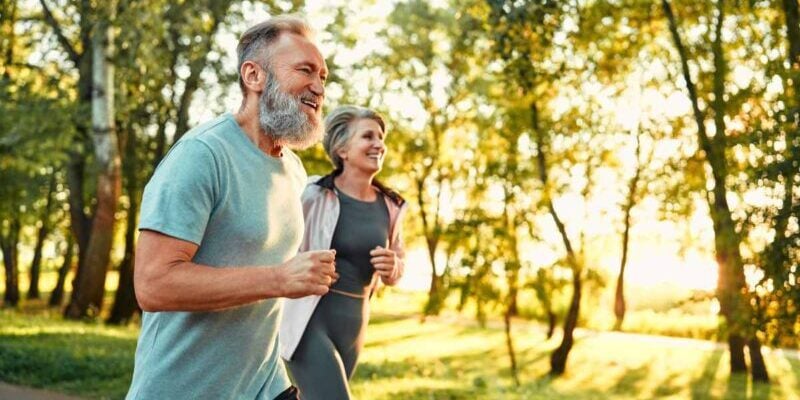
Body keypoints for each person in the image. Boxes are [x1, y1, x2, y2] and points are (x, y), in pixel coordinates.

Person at [126, 16, 337, 400]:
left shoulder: (291, 168)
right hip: (182, 389)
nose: (319, 87)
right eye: (305, 71)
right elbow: (153, 285)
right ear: (254, 76)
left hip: (265, 385)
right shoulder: (202, 155)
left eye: (323, 76)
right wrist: (279, 279)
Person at [279, 105, 409, 400]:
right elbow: (282, 247)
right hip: (309, 320)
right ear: (343, 150)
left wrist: (393, 267)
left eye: (380, 137)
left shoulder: (391, 205)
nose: (379, 144)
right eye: (367, 136)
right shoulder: (314, 194)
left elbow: (399, 260)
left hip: (354, 322)